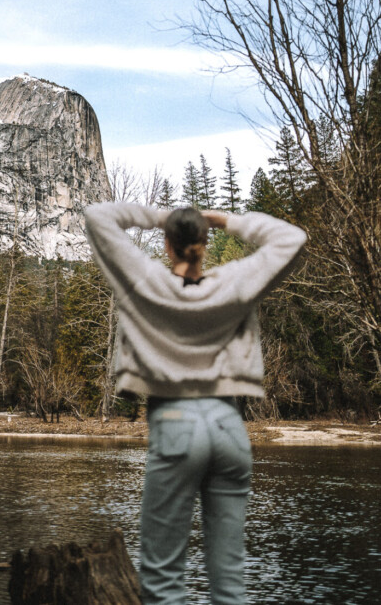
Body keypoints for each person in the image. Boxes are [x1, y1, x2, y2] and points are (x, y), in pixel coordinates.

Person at [83, 201, 306, 605]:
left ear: (167, 245)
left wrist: (160, 216)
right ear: (205, 242)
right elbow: (292, 238)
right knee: (231, 582)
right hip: (228, 426)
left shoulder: (146, 281)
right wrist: (227, 221)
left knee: (164, 581)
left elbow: (99, 216)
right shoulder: (234, 284)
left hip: (174, 423)